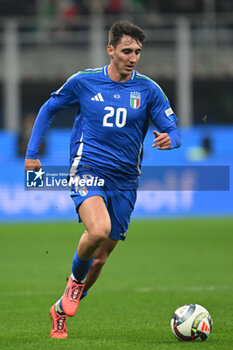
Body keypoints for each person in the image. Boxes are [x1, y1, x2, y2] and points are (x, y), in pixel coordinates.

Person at [24, 20, 182, 339]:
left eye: (137, 51)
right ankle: (73, 287)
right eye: (126, 51)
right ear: (110, 50)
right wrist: (32, 152)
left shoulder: (149, 90)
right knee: (98, 229)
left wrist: (170, 139)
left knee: (100, 258)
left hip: (125, 181)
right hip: (88, 170)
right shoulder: (84, 83)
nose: (133, 57)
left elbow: (175, 131)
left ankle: (62, 307)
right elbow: (49, 107)